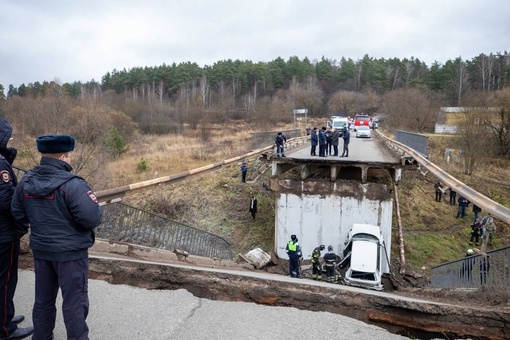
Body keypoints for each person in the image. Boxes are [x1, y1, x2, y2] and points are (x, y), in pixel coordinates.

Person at [11, 134, 103, 340]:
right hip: (71, 255)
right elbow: (91, 217)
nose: (69, 160)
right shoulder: (73, 185)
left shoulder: (26, 181)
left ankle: (42, 337)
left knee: (43, 300)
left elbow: (17, 213)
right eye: (69, 156)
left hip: (42, 252)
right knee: (74, 302)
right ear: (63, 157)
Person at [0, 117, 34, 340]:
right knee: (5, 280)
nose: (10, 139)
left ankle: (6, 316)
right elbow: (6, 198)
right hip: (3, 233)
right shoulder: (0, 164)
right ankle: (5, 330)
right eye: (7, 136)